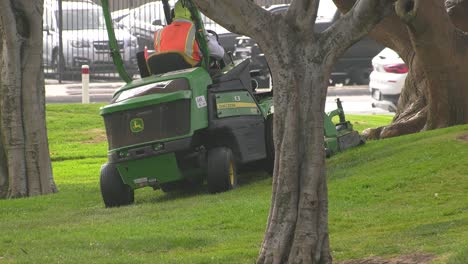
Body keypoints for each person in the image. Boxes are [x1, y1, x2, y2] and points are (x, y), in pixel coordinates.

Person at [153, 0, 224, 65]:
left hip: (167, 74)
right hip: (195, 75)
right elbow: (219, 53)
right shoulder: (197, 31)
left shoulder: (159, 33)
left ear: (174, 13)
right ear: (194, 14)